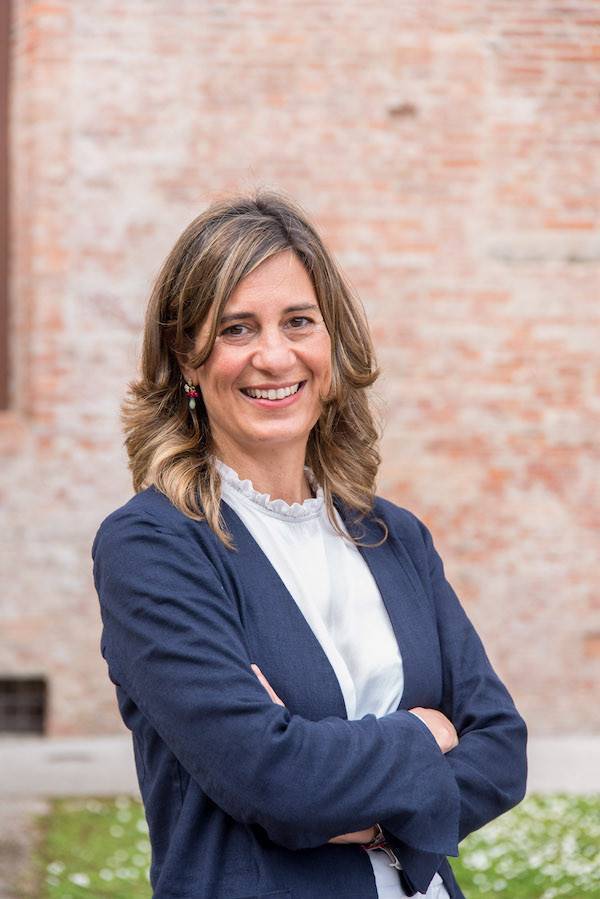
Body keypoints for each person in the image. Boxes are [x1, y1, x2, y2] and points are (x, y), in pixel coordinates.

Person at [91, 190, 527, 899]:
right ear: (187, 359)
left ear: (331, 342)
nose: (274, 356)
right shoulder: (153, 546)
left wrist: (354, 800)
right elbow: (275, 779)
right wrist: (423, 734)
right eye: (235, 328)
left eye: (299, 321)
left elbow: (502, 749)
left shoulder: (394, 535)